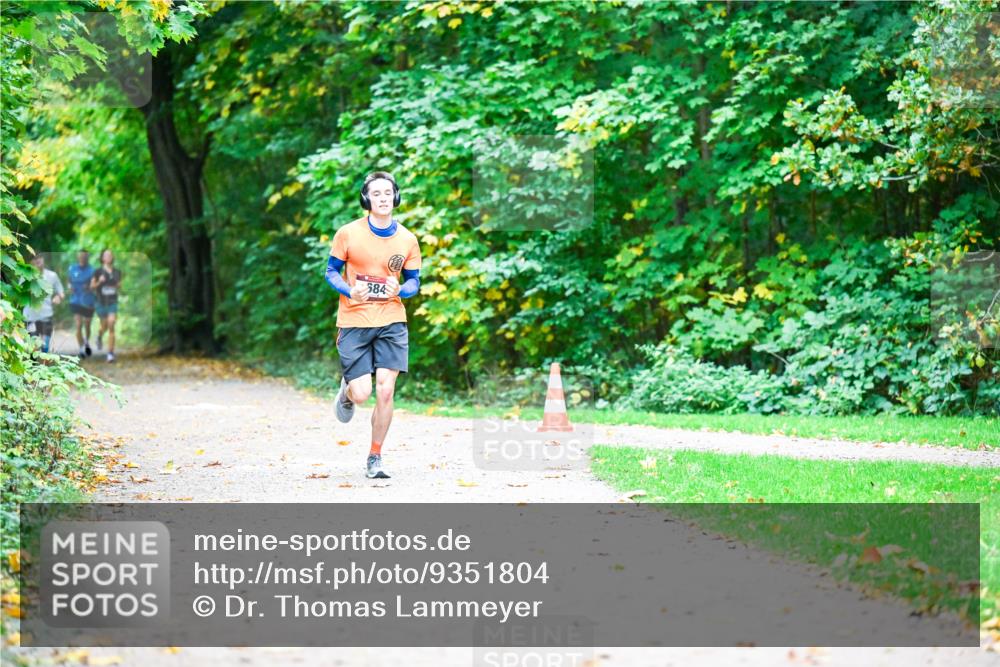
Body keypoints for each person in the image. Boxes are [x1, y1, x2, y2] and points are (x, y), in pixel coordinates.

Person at [325, 171, 422, 479]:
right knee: (363, 393)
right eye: (376, 193)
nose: (383, 198)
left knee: (386, 390)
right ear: (367, 199)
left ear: (396, 197)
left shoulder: (407, 239)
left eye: (387, 193)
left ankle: (375, 457)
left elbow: (414, 282)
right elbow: (330, 272)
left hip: (391, 319)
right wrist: (349, 290)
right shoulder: (348, 234)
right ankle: (347, 392)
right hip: (354, 320)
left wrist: (401, 290)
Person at [23, 253, 64, 353]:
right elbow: (19, 292)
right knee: (33, 348)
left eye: (39, 257)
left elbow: (61, 292)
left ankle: (43, 367)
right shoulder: (25, 275)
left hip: (46, 315)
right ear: (30, 262)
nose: (37, 260)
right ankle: (33, 367)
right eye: (34, 258)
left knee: (45, 346)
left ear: (43, 259)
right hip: (30, 316)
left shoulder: (52, 275)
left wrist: (58, 298)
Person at [91, 248, 122, 363]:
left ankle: (110, 353)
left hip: (112, 302)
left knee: (111, 324)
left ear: (112, 257)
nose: (108, 257)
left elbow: (119, 286)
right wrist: (100, 281)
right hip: (100, 302)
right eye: (106, 255)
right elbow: (92, 286)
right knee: (104, 326)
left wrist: (117, 285)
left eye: (110, 254)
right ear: (102, 258)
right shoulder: (98, 271)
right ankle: (99, 336)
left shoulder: (117, 272)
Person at [67, 249, 96, 358]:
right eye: (81, 255)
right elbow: (69, 281)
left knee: (87, 324)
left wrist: (90, 286)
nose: (82, 257)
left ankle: (87, 342)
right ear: (78, 256)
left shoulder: (92, 270)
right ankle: (81, 349)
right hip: (75, 300)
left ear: (87, 257)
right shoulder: (72, 268)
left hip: (88, 301)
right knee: (79, 324)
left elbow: (94, 284)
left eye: (85, 256)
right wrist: (69, 287)